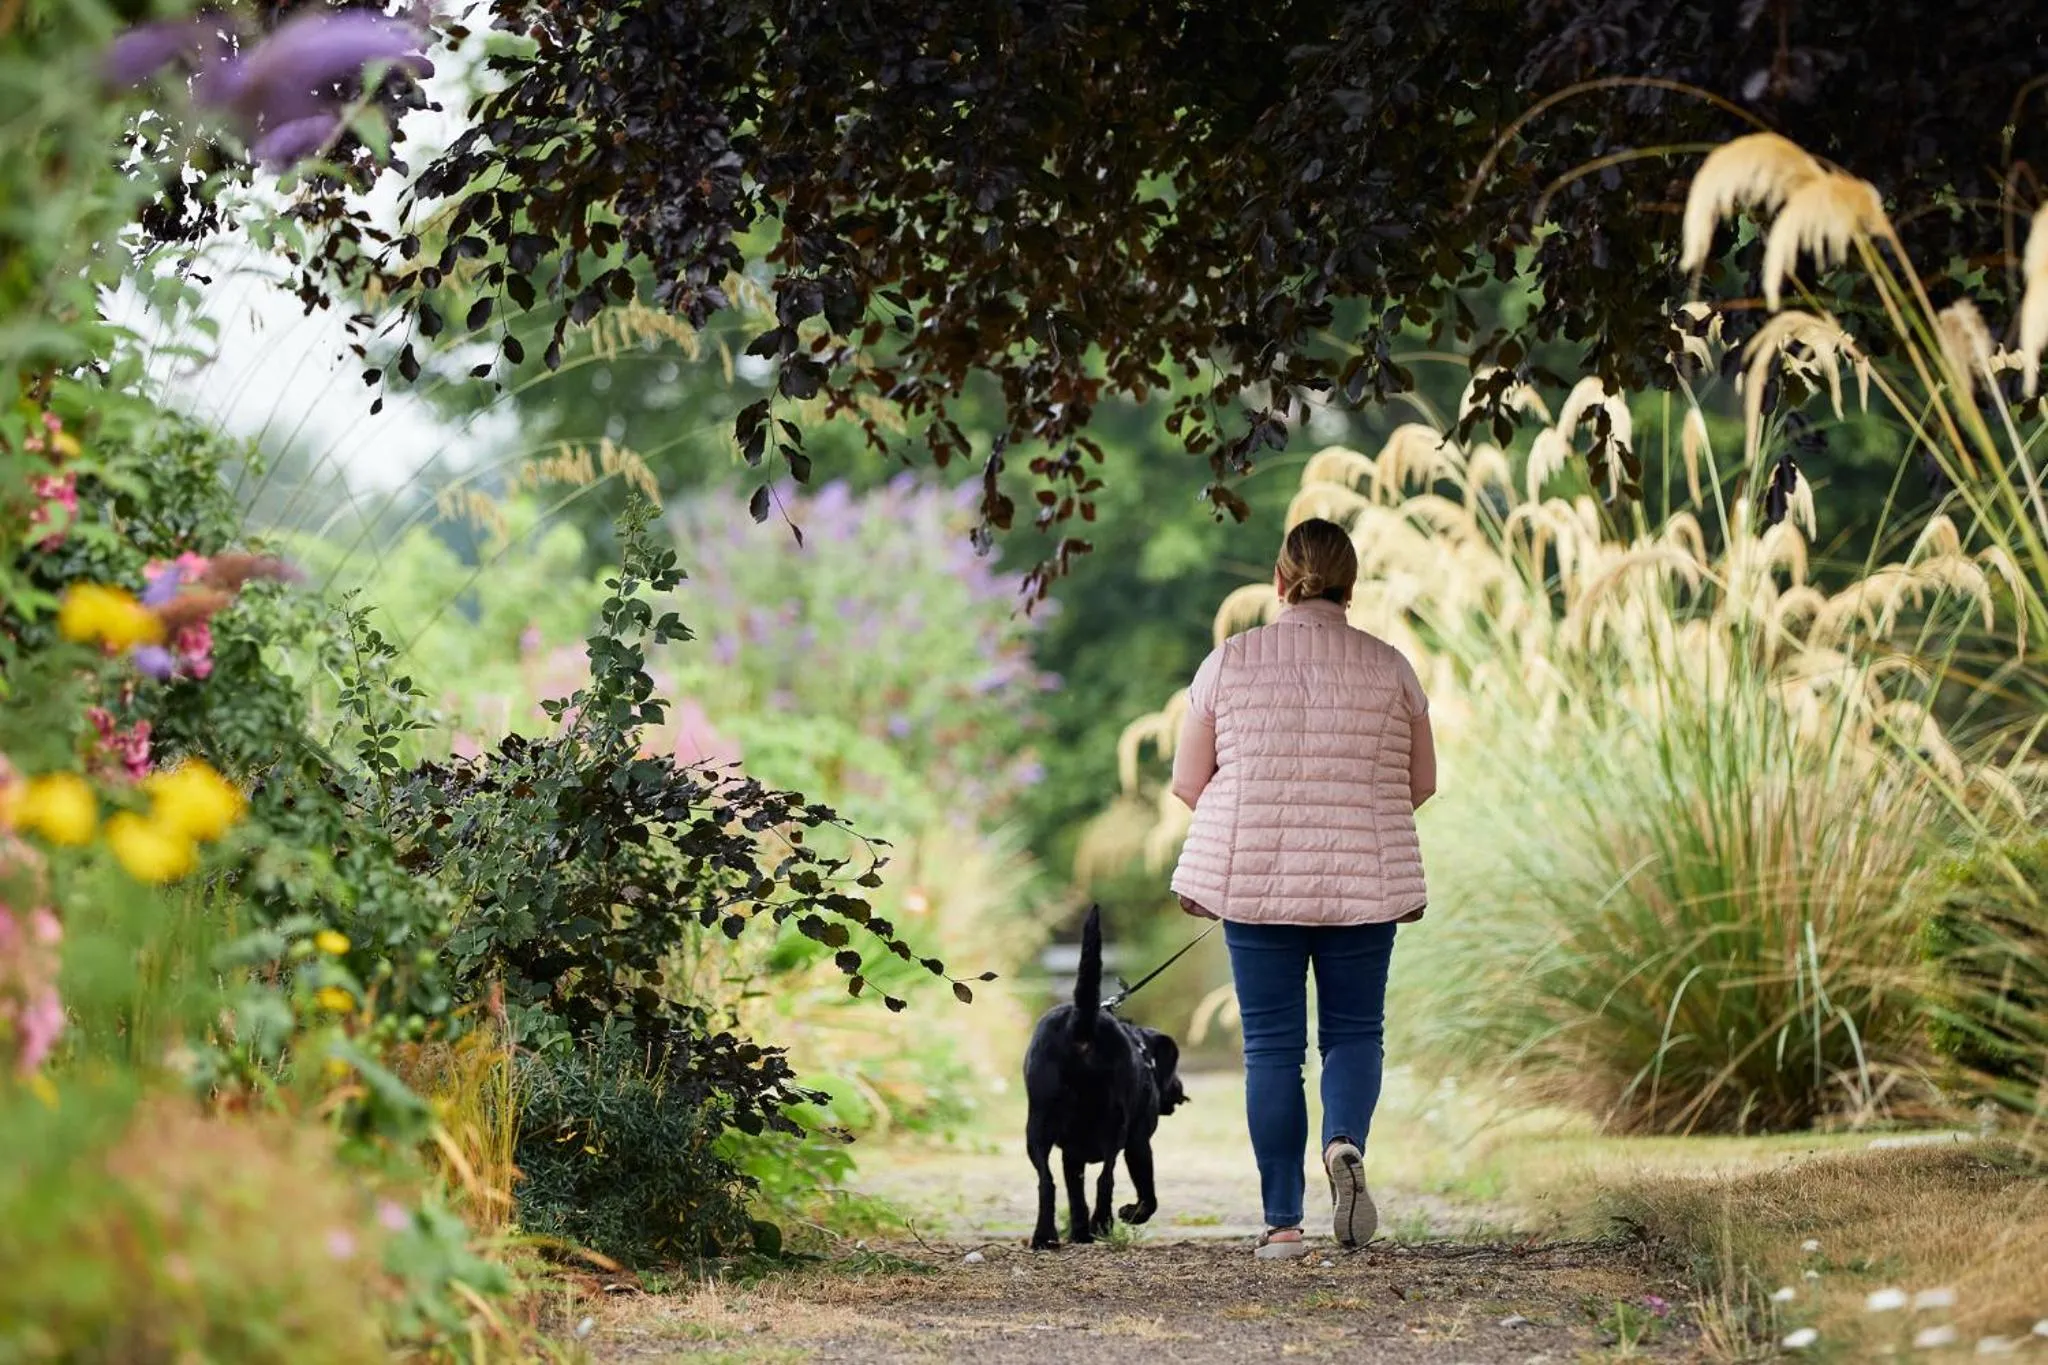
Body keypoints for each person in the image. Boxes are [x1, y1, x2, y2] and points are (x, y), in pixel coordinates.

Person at [1168, 517, 1437, 1260]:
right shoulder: (1391, 666)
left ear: (1279, 581)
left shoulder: (1229, 661)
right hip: (1365, 882)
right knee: (1354, 1032)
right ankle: (1343, 1143)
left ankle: (1283, 1224)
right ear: (1351, 584)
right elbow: (1422, 782)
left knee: (1272, 1050)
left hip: (1257, 885)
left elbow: (1188, 782)